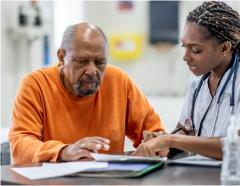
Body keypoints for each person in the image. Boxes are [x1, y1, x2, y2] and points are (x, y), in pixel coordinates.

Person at [133, 1, 240, 159]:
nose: (185, 57)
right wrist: (164, 141)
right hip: (210, 171)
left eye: (196, 50)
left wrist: (172, 140)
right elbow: (186, 130)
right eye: (184, 47)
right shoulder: (199, 79)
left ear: (224, 48)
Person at [8, 22, 166, 164]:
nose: (92, 71)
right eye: (82, 61)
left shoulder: (119, 81)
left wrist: (159, 145)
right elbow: (20, 145)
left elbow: (156, 135)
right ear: (61, 57)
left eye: (100, 62)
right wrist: (64, 151)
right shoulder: (35, 85)